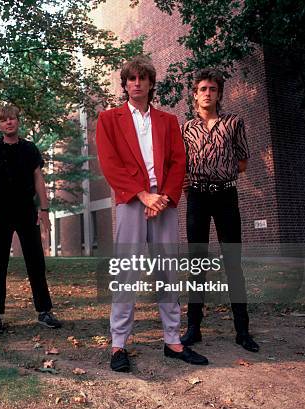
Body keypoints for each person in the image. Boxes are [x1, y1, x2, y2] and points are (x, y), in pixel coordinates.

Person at [96, 56, 208, 372]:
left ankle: (173, 340)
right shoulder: (108, 119)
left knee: (167, 271)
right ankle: (119, 344)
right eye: (131, 78)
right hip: (131, 201)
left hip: (163, 202)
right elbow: (110, 163)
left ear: (150, 83)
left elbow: (178, 162)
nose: (137, 83)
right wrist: (142, 195)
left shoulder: (167, 121)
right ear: (125, 84)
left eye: (143, 78)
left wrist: (165, 197)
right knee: (126, 273)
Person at [180, 69, 259, 352]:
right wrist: (190, 180)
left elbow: (242, 163)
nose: (207, 93)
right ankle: (193, 328)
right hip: (198, 198)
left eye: (213, 89)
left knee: (233, 263)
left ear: (219, 94)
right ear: (195, 94)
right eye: (202, 89)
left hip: (226, 195)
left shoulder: (233, 123)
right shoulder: (186, 128)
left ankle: (242, 331)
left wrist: (217, 171)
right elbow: (181, 164)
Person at [0, 104, 62, 336]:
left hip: (26, 211)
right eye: (4, 120)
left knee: (36, 262)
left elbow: (39, 180)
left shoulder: (29, 150)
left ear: (18, 121)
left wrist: (44, 210)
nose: (9, 122)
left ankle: (44, 311)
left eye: (12, 118)